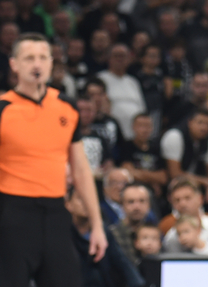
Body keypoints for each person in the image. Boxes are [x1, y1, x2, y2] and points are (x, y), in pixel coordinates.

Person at [1, 32, 107, 287]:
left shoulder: (67, 108)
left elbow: (81, 170)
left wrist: (97, 224)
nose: (36, 64)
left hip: (55, 213)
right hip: (10, 213)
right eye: (28, 58)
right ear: (14, 64)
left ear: (51, 63)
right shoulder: (3, 108)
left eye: (42, 58)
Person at [66, 183, 143, 287]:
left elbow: (124, 265)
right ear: (68, 204)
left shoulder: (103, 233)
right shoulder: (62, 235)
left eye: (90, 199)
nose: (86, 203)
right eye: (80, 199)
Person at [160, 108, 208, 206]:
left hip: (197, 184)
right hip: (171, 184)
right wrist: (205, 181)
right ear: (190, 122)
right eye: (200, 122)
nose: (204, 128)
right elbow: (175, 173)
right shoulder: (175, 136)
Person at [160, 176, 208, 253]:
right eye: (177, 200)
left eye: (187, 198)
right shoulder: (171, 237)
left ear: (200, 199)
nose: (182, 204)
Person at [97, 44, 146, 139]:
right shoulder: (101, 79)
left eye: (123, 56)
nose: (120, 59)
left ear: (129, 59)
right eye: (116, 55)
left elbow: (142, 108)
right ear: (109, 58)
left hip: (134, 136)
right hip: (113, 134)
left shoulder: (133, 82)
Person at [117, 113, 168, 196]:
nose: (145, 130)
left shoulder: (156, 148)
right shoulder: (127, 146)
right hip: (132, 190)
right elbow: (128, 173)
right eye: (141, 126)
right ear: (133, 127)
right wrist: (153, 180)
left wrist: (139, 174)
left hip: (153, 194)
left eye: (148, 126)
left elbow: (163, 178)